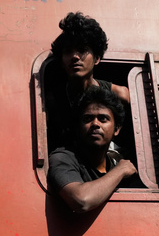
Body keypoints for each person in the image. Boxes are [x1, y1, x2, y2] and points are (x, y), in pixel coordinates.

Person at [47, 86, 141, 213]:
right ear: (78, 128)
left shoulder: (114, 164)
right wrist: (121, 170)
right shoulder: (63, 158)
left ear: (117, 129)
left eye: (103, 119)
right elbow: (81, 200)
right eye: (87, 119)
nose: (95, 124)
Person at [46, 12, 130, 150]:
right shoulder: (53, 100)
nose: (75, 57)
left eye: (82, 50)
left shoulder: (120, 95)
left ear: (96, 58)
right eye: (68, 51)